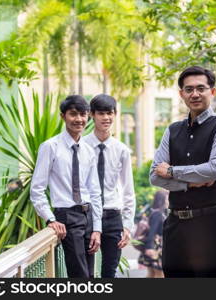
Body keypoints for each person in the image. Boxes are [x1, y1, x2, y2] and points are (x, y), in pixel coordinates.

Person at [150, 66, 216, 277]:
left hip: (210, 223)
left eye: (201, 88)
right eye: (189, 89)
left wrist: (171, 172)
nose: (194, 94)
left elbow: (214, 170)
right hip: (176, 225)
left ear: (212, 92)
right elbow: (153, 176)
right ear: (181, 94)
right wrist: (190, 182)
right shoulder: (172, 130)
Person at [30, 95, 102, 278]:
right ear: (63, 116)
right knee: (79, 275)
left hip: (88, 216)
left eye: (83, 114)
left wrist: (97, 228)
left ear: (88, 117)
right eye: (73, 114)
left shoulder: (88, 150)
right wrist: (50, 219)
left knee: (90, 275)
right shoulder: (50, 147)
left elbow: (94, 191)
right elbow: (37, 189)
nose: (79, 119)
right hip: (67, 216)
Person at [83, 94, 136, 278]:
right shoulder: (81, 146)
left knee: (109, 272)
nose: (106, 117)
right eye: (102, 113)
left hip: (113, 216)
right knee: (86, 272)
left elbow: (128, 189)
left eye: (110, 113)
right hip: (88, 215)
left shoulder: (121, 150)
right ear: (92, 115)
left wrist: (127, 224)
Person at [138, 190, 168, 278]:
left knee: (152, 273)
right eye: (167, 199)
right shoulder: (158, 214)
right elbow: (152, 232)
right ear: (162, 200)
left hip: (154, 247)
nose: (168, 201)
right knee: (160, 274)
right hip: (155, 248)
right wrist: (149, 248)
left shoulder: (156, 212)